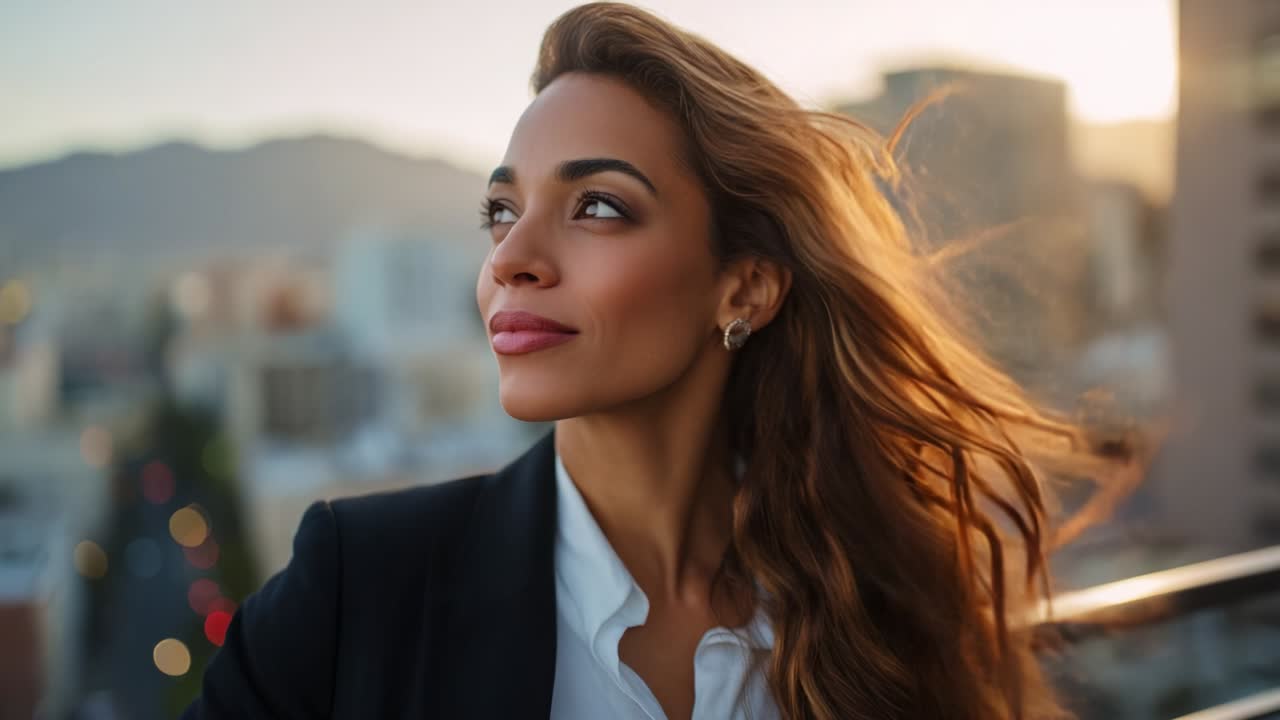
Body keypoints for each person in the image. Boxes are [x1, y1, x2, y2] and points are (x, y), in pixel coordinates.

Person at [181, 3, 1133, 719]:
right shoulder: (357, 588)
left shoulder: (881, 596)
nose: (510, 258)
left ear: (745, 289)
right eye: (501, 211)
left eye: (597, 205)